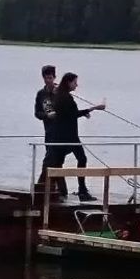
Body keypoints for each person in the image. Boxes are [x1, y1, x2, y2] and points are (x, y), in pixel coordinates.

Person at [50, 72, 106, 202]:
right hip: (69, 136)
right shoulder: (63, 97)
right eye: (75, 82)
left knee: (57, 164)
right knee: (81, 159)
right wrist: (94, 108)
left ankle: (59, 192)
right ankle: (80, 191)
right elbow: (71, 114)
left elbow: (68, 114)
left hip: (59, 135)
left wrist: (83, 113)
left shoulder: (59, 95)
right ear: (68, 82)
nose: (76, 85)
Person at [34, 64, 67, 198]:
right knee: (54, 160)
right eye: (46, 78)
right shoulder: (41, 94)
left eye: (51, 78)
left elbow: (67, 108)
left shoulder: (60, 92)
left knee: (53, 160)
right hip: (49, 131)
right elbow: (37, 113)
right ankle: (60, 190)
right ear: (43, 78)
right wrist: (46, 115)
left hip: (62, 132)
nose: (49, 80)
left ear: (54, 77)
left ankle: (42, 187)